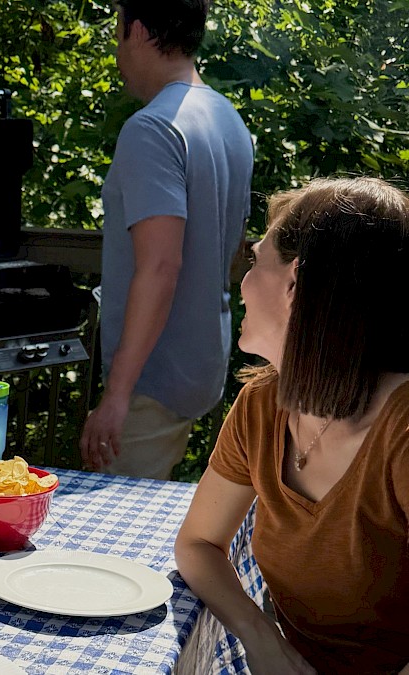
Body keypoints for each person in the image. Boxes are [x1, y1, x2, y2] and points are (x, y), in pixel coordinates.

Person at [175, 177, 409, 674]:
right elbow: (197, 544)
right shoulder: (263, 405)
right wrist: (265, 643)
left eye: (256, 260)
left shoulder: (403, 432)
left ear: (295, 283)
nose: (240, 282)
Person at [80, 0, 254, 479]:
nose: (117, 53)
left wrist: (116, 397)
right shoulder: (227, 120)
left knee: (115, 533)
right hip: (201, 366)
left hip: (152, 380)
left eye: (117, 33)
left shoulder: (153, 130)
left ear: (136, 30)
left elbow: (160, 267)